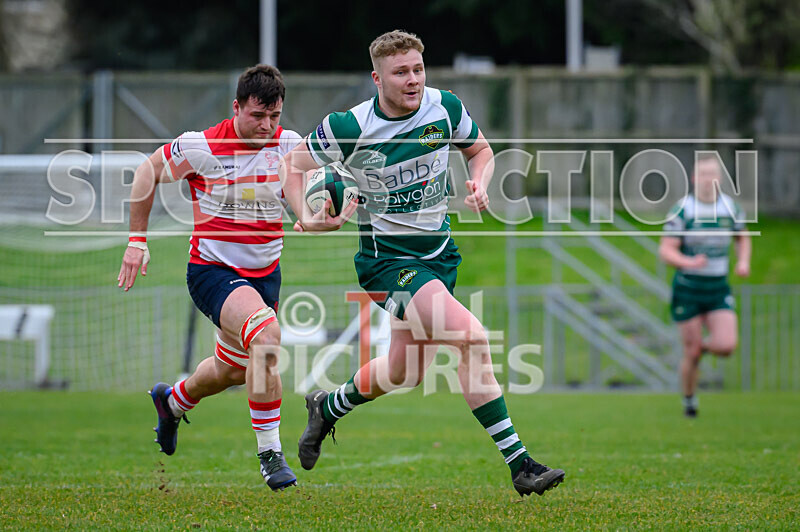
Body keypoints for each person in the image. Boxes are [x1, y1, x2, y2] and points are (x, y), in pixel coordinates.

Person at [280, 30, 565, 498]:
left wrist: (480, 183)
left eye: (418, 69)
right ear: (377, 78)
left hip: (439, 255)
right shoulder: (349, 127)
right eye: (400, 72)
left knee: (404, 370)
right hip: (388, 263)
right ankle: (521, 465)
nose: (412, 80)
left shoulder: (444, 108)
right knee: (471, 338)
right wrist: (306, 217)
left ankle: (327, 406)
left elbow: (481, 151)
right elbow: (292, 166)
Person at [117, 65, 300, 490]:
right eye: (258, 115)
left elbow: (313, 187)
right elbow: (147, 172)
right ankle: (270, 453)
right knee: (267, 338)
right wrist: (136, 240)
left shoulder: (289, 144)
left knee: (232, 370)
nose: (267, 125)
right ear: (236, 107)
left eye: (274, 116)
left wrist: (320, 210)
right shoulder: (202, 146)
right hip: (212, 272)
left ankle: (173, 401)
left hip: (264, 277)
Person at [659, 153, 751, 417]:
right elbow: (666, 250)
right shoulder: (683, 209)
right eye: (703, 174)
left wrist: (743, 261)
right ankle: (689, 400)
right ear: (694, 178)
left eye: (713, 174)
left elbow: (742, 238)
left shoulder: (730, 208)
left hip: (717, 288)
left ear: (720, 178)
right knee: (692, 352)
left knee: (726, 346)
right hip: (688, 288)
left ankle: (700, 348)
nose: (708, 179)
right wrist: (688, 262)